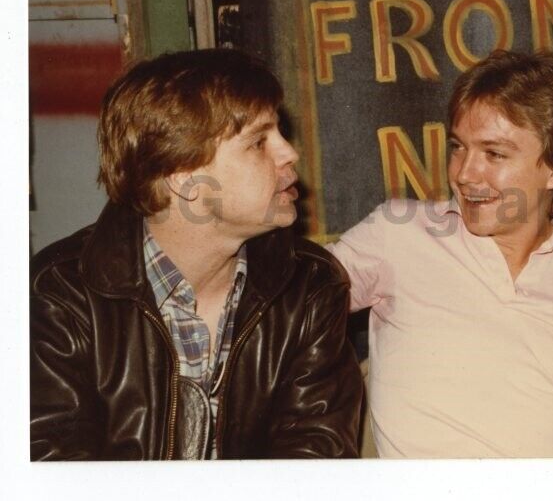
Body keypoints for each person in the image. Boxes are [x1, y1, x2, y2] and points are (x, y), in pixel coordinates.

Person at [328, 50, 553, 458]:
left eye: (495, 154)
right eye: (458, 147)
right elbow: (282, 305)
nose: (465, 173)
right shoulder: (396, 234)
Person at [30, 49, 362, 460]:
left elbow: (314, 462)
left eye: (279, 132)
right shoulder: (59, 293)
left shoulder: (309, 286)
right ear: (184, 178)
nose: (289, 153)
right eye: (259, 142)